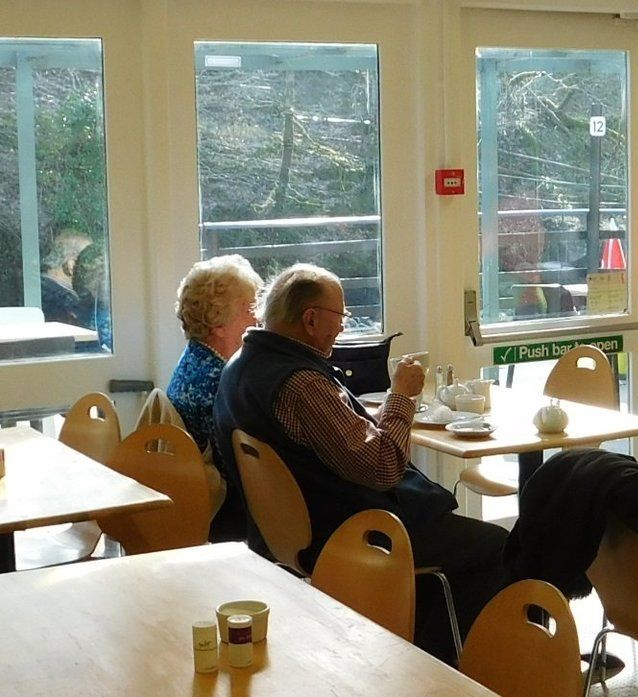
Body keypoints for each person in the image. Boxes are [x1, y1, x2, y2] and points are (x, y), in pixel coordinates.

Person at [213, 263, 506, 661]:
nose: (343, 329)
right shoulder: (301, 384)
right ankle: (450, 667)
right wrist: (401, 396)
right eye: (340, 317)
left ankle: (416, 653)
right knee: (498, 547)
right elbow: (382, 467)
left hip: (283, 535)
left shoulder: (238, 367)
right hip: (355, 533)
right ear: (311, 319)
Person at [168, 254, 264, 540]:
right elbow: (244, 468)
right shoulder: (216, 381)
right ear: (217, 323)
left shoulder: (196, 358)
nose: (259, 317)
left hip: (212, 502)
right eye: (251, 308)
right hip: (227, 513)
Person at [39, 228, 91, 326]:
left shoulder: (38, 291)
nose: (94, 266)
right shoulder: (64, 302)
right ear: (72, 264)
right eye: (87, 259)